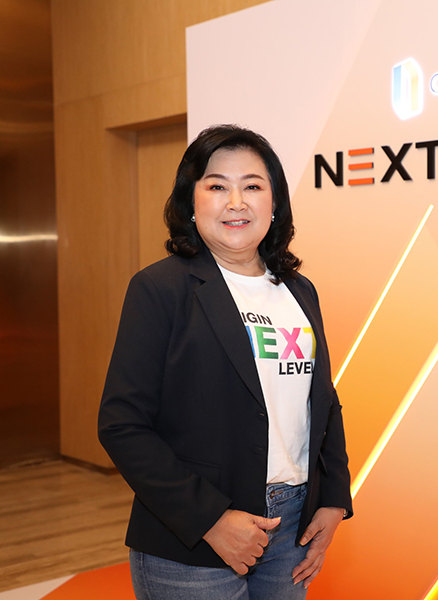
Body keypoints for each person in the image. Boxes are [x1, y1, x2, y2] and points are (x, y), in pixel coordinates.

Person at [98, 125, 353, 599]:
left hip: (293, 525)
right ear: (191, 203)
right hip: (192, 536)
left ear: (274, 203)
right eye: (217, 186)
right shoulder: (160, 289)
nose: (236, 202)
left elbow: (322, 400)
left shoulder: (299, 290)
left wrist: (333, 497)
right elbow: (122, 424)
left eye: (252, 186)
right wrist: (210, 519)